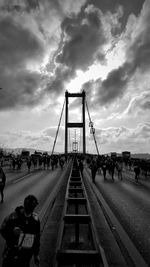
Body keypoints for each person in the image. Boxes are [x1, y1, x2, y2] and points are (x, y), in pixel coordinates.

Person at [0, 195, 40, 267]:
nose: (33, 209)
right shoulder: (13, 217)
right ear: (26, 206)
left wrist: (36, 254)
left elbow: (37, 238)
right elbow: (3, 229)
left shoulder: (35, 220)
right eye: (31, 207)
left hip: (25, 256)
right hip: (10, 254)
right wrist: (12, 231)